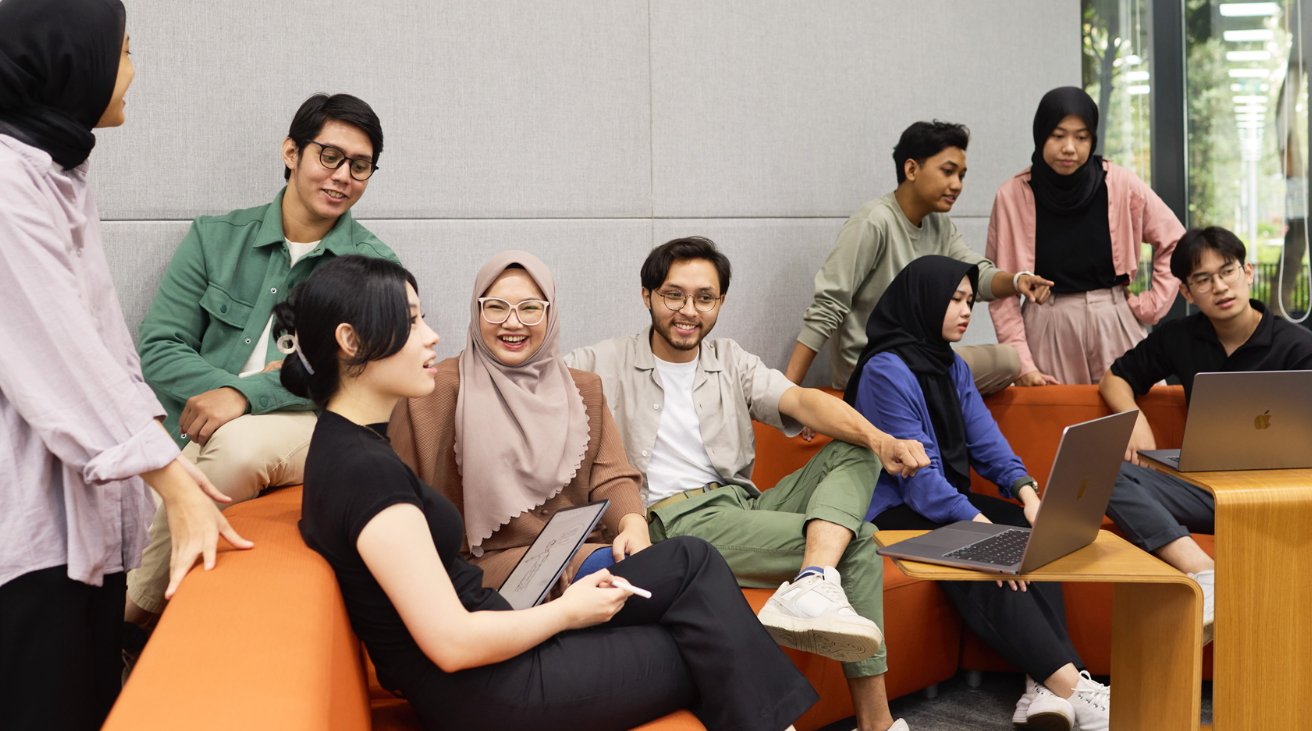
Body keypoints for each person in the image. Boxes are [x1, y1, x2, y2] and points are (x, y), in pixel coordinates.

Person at [283, 255, 817, 731]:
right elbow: (451, 645)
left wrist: (609, 554)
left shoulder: (346, 445)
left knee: (695, 578)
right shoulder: (368, 471)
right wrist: (569, 612)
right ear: (351, 342)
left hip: (496, 650)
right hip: (491, 687)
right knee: (707, 642)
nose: (432, 336)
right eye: (412, 321)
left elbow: (613, 477)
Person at [0, 1, 250, 728]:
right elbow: (60, 355)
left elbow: (108, 347)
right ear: (72, 63)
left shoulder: (54, 170)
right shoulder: (6, 181)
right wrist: (169, 479)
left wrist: (163, 464)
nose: (134, 72)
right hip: (31, 529)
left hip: (88, 515)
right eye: (126, 52)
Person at [568, 236, 927, 731]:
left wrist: (879, 438)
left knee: (857, 446)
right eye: (674, 295)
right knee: (860, 541)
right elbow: (532, 375)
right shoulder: (604, 360)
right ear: (646, 295)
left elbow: (801, 401)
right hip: (674, 521)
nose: (688, 311)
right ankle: (876, 722)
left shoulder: (729, 360)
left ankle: (814, 579)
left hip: (743, 505)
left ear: (720, 302)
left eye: (704, 298)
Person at [125, 93, 399, 630]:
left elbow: (355, 377)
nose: (342, 176)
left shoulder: (373, 268)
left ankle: (135, 618)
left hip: (305, 425)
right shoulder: (214, 238)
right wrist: (230, 390)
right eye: (329, 156)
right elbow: (159, 347)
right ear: (292, 152)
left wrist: (244, 397)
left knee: (237, 444)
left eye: (360, 166)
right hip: (188, 422)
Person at [847, 255, 1111, 731]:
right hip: (891, 509)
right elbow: (916, 476)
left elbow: (987, 441)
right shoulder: (884, 371)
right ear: (924, 301)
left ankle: (1042, 687)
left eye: (970, 300)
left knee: (1033, 535)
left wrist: (1028, 494)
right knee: (981, 555)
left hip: (939, 499)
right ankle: (1072, 687)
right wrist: (978, 529)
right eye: (954, 300)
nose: (967, 310)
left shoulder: (950, 364)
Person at [389, 251, 650, 592]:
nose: (513, 323)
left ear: (550, 315)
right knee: (676, 565)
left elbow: (611, 476)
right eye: (496, 307)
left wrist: (633, 524)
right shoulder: (433, 391)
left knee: (687, 561)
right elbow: (402, 500)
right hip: (481, 567)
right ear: (476, 311)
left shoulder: (584, 389)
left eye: (530, 308)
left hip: (572, 552)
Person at [1100, 226, 1312, 643]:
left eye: (1227, 271)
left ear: (1248, 272)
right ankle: (1204, 573)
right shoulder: (1180, 337)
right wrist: (1134, 417)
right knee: (1104, 470)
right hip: (1207, 492)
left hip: (1285, 498)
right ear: (1186, 291)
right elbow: (1115, 378)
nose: (1220, 286)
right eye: (1203, 279)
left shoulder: (1298, 347)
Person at [785, 120, 1052, 394]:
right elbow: (828, 306)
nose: (957, 185)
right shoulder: (873, 222)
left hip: (921, 360)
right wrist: (787, 392)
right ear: (911, 169)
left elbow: (977, 274)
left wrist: (1017, 281)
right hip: (873, 369)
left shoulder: (940, 225)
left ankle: (934, 401)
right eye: (947, 171)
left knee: (1007, 361)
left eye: (961, 175)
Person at [987, 86, 1184, 386]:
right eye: (1058, 136)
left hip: (1113, 319)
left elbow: (1175, 240)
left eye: (1081, 137)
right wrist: (1023, 364)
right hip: (1047, 322)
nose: (1070, 148)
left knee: (1139, 410)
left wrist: (1151, 305)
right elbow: (1001, 288)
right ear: (1040, 134)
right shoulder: (1012, 195)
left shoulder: (1119, 183)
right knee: (1056, 414)